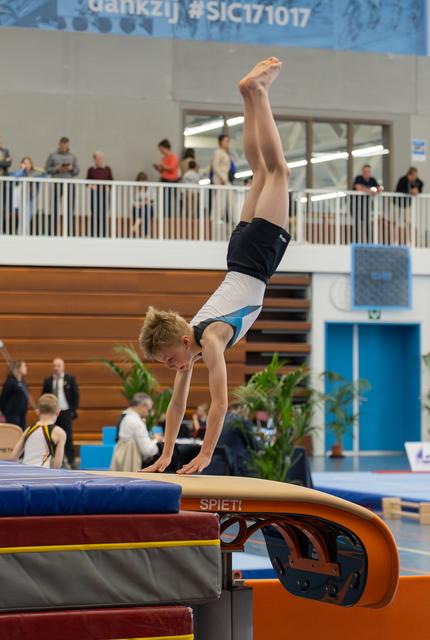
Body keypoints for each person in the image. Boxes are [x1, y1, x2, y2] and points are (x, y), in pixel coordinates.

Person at [140, 58, 290, 475]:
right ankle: (248, 93)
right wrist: (166, 454)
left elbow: (221, 401)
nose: (172, 369)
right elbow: (177, 404)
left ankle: (257, 92)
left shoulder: (210, 340)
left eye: (170, 360)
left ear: (183, 343)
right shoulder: (193, 341)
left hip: (254, 259)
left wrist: (204, 455)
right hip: (240, 255)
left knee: (278, 170)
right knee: (262, 170)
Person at [9, 394, 66, 469]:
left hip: (25, 472)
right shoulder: (59, 433)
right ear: (58, 412)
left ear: (37, 412)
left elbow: (12, 458)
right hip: (43, 474)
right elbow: (57, 465)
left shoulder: (28, 429)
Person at [41, 358, 79, 468]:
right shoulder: (48, 381)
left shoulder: (70, 379)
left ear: (63, 367)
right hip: (51, 412)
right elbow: (43, 396)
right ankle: (52, 459)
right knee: (50, 435)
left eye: (58, 366)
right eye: (54, 366)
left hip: (65, 412)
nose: (56, 368)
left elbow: (76, 395)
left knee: (68, 436)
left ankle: (71, 461)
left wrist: (72, 411)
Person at [111, 393, 159, 471]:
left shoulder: (125, 417)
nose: (148, 413)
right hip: (131, 461)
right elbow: (148, 451)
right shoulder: (137, 422)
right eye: (148, 410)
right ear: (142, 406)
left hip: (121, 459)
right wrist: (156, 440)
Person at [45, 137, 79, 235]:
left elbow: (77, 171)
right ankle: (52, 232)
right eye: (62, 145)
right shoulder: (52, 155)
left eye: (66, 145)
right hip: (56, 183)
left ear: (68, 145)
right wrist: (57, 168)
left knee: (70, 208)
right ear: (59, 144)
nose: (64, 147)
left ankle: (69, 233)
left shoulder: (73, 156)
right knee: (55, 208)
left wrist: (71, 168)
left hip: (69, 184)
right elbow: (47, 169)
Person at [11, 156, 47, 234]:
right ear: (21, 164)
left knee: (27, 217)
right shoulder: (21, 172)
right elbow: (16, 176)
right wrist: (22, 169)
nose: (26, 165)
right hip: (22, 198)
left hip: (31, 199)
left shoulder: (35, 174)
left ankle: (22, 234)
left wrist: (37, 169)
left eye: (28, 163)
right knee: (22, 217)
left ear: (31, 164)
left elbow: (46, 176)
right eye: (24, 163)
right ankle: (20, 234)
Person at [86, 151, 114, 237]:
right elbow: (87, 182)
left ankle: (104, 233)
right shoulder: (91, 169)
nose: (99, 160)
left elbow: (112, 181)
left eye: (101, 158)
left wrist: (108, 187)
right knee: (95, 213)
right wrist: (91, 186)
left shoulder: (107, 169)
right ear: (94, 159)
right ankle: (94, 233)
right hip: (94, 194)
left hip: (105, 194)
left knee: (104, 213)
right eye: (97, 158)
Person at [352, 164, 381, 242]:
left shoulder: (372, 180)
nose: (367, 173)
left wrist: (376, 190)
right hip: (356, 205)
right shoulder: (359, 178)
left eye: (368, 171)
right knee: (357, 224)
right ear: (362, 171)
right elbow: (358, 188)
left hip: (367, 206)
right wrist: (370, 191)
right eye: (365, 171)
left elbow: (379, 188)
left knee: (367, 224)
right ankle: (356, 241)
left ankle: (369, 242)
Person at [153, 139, 179, 218]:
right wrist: (158, 168)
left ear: (165, 148)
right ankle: (164, 216)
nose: (160, 151)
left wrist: (163, 166)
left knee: (171, 201)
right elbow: (163, 171)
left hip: (172, 182)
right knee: (164, 201)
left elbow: (171, 168)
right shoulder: (163, 159)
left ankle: (171, 217)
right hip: (164, 180)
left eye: (160, 149)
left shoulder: (173, 157)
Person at [0, 361, 29, 429]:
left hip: (22, 414)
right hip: (12, 415)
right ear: (18, 368)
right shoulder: (10, 382)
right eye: (24, 366)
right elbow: (3, 398)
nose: (26, 368)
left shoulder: (22, 381)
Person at [131, 171, 154, 237]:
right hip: (138, 208)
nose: (142, 184)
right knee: (140, 210)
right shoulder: (135, 189)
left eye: (144, 181)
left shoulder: (150, 188)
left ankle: (137, 223)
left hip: (149, 209)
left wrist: (144, 202)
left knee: (146, 209)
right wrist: (140, 204)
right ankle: (147, 235)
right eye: (141, 182)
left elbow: (152, 200)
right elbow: (133, 202)